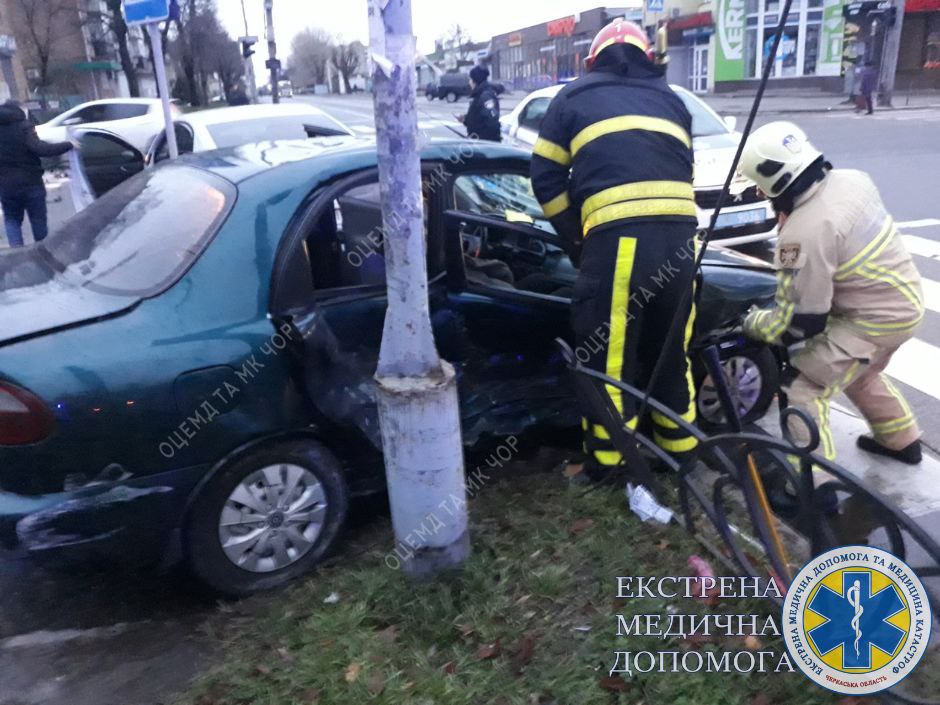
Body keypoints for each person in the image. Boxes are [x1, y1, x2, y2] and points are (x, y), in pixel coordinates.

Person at [530, 19, 698, 478]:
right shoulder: (673, 101)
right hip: (683, 244)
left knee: (608, 358)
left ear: (592, 59)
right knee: (670, 351)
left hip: (619, 245)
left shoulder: (573, 98)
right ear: (648, 57)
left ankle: (610, 464)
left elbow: (544, 178)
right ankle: (680, 453)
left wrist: (577, 239)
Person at [739, 121, 923, 470]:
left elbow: (799, 323)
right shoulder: (854, 180)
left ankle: (812, 485)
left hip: (872, 321)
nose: (761, 195)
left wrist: (752, 323)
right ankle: (901, 441)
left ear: (775, 181)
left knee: (802, 385)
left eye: (761, 189)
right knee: (856, 373)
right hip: (905, 301)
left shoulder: (803, 232)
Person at [0, 100, 73, 248]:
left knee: (12, 220)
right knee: (38, 220)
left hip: (6, 186)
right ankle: (42, 254)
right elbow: (40, 149)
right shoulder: (24, 126)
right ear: (19, 109)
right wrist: (69, 145)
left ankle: (16, 254)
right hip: (31, 182)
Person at [459, 65, 501, 142]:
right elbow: (479, 118)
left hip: (485, 145)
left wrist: (481, 139)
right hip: (478, 143)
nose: (469, 82)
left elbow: (492, 123)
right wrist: (466, 119)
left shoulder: (486, 96)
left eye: (470, 80)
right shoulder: (480, 95)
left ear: (475, 81)